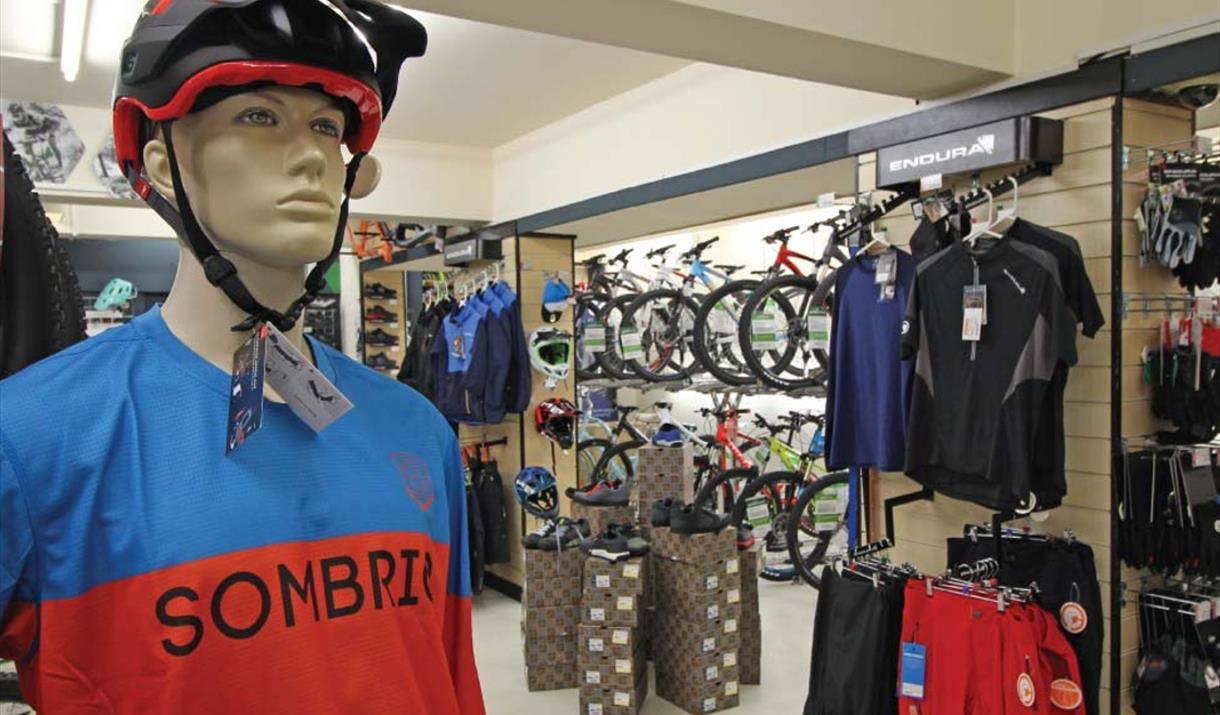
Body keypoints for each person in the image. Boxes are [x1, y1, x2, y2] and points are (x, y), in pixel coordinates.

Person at [0, 2, 485, 713]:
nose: (312, 156)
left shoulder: (418, 431)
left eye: (327, 127)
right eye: (259, 116)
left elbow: (448, 673)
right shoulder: (31, 435)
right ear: (164, 166)